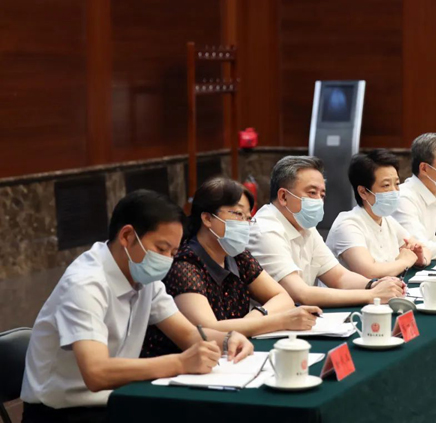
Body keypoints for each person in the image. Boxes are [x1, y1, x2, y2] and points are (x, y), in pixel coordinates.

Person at [20, 190, 253, 423]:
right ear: (127, 236)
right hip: (61, 413)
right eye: (161, 249)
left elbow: (188, 335)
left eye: (173, 252)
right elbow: (96, 373)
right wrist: (179, 363)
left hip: (117, 400)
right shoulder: (85, 284)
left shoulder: (142, 276)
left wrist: (227, 340)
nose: (167, 260)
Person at [141, 178, 320, 354]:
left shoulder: (237, 255)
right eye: (238, 214)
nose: (245, 223)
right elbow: (208, 329)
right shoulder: (184, 264)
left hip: (229, 353)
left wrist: (253, 319)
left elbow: (283, 297)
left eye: (248, 217)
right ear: (207, 218)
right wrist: (280, 321)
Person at [248, 156, 407, 307]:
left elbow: (339, 277)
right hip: (269, 323)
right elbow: (300, 293)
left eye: (322, 195)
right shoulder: (265, 230)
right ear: (283, 196)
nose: (318, 200)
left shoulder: (305, 227)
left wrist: (374, 284)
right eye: (312, 193)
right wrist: (372, 295)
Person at [327, 149, 432, 279]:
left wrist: (420, 258)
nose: (394, 191)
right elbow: (369, 272)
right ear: (363, 192)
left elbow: (424, 249)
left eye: (397, 184)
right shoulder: (347, 225)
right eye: (386, 185)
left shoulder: (387, 221)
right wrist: (404, 261)